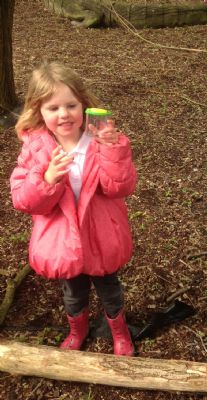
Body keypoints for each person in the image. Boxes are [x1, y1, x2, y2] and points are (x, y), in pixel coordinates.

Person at [10, 61, 137, 356]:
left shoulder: (100, 141)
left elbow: (120, 187)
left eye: (71, 105)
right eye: (53, 108)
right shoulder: (36, 149)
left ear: (83, 104)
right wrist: (47, 179)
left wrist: (113, 150)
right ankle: (77, 330)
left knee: (110, 290)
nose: (64, 114)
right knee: (73, 293)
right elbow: (23, 199)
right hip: (64, 241)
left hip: (101, 235)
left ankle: (120, 332)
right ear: (39, 112)